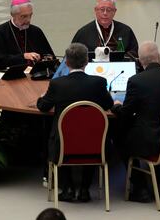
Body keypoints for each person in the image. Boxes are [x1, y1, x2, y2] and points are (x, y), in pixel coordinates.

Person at [37, 43, 114, 203]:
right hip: (95, 145)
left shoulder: (58, 84)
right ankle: (85, 190)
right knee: (90, 136)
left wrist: (41, 97)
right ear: (87, 61)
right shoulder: (99, 83)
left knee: (61, 134)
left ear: (66, 63)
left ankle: (68, 189)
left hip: (64, 144)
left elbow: (44, 107)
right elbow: (108, 105)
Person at [111, 41, 160, 202]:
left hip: (148, 140)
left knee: (118, 136)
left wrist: (116, 106)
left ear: (140, 61)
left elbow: (126, 114)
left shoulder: (137, 81)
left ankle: (139, 187)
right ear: (158, 57)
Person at [0, 0, 54, 70]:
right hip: (8, 78)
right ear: (13, 15)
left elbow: (49, 56)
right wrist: (23, 57)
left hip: (35, 76)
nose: (28, 20)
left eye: (30, 15)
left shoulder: (36, 31)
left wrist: (46, 58)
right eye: (24, 16)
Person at [71, 0, 139, 59]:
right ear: (95, 10)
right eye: (102, 9)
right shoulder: (83, 33)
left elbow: (134, 53)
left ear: (114, 11)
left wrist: (120, 59)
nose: (105, 13)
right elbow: (73, 55)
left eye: (109, 10)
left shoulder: (126, 31)